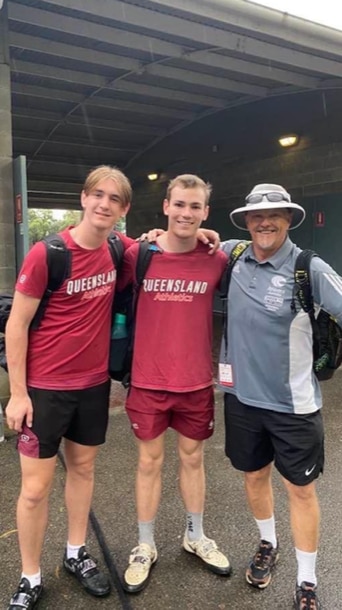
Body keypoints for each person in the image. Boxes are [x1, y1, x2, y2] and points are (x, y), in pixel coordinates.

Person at [5, 165, 135, 609]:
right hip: (43, 391)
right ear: (83, 198)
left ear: (123, 209)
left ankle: (76, 553)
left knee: (82, 471)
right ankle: (30, 576)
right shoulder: (49, 254)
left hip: (93, 387)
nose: (104, 204)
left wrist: (208, 235)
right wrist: (18, 393)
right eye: (97, 195)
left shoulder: (120, 248)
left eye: (114, 199)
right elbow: (17, 325)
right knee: (35, 489)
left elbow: (167, 242)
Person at [220, 183, 342, 610]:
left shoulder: (310, 267)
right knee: (253, 477)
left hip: (294, 405)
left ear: (289, 219)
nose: (265, 222)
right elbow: (188, 237)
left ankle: (307, 580)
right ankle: (267, 542)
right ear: (246, 222)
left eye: (274, 214)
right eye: (256, 216)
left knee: (301, 491)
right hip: (241, 400)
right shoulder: (232, 255)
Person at [119, 174, 231, 594]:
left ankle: (195, 535)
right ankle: (145, 545)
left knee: (193, 460)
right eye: (180, 204)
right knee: (149, 463)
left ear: (206, 212)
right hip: (148, 381)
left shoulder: (217, 258)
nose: (186, 213)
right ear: (165, 206)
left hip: (195, 381)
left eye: (195, 207)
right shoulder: (138, 255)